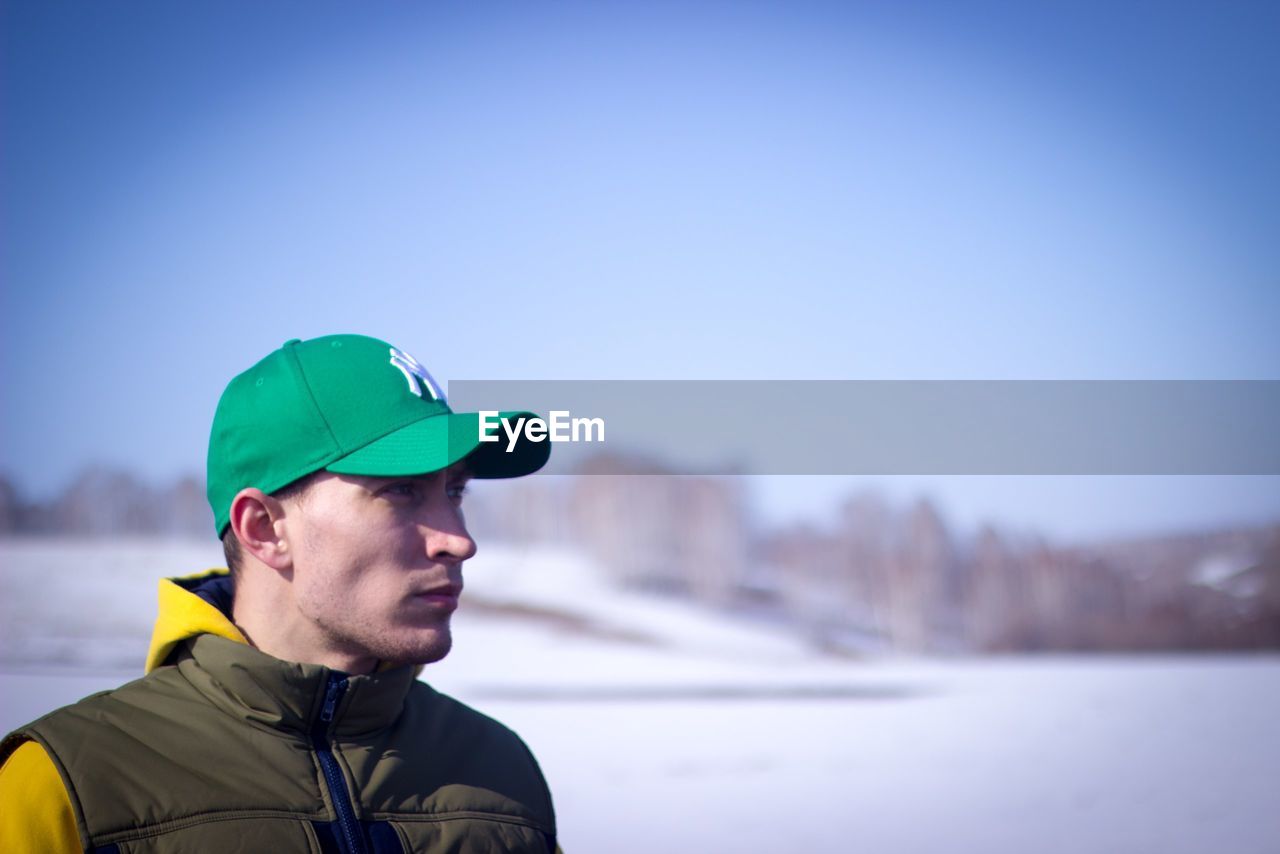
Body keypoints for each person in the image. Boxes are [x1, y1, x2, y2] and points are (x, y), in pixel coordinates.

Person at [0, 334, 560, 853]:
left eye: (455, 490)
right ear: (265, 529)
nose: (459, 541)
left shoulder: (504, 777)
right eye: (402, 491)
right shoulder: (68, 785)